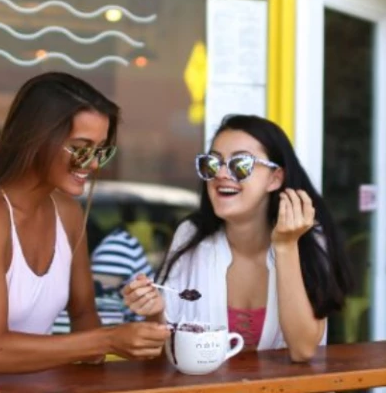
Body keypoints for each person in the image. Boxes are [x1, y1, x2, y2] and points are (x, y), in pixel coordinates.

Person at [0, 72, 170, 373]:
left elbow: (83, 315)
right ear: (37, 139)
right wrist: (108, 340)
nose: (92, 163)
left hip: (44, 379)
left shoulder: (68, 212)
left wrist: (145, 324)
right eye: (81, 148)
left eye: (100, 151)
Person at [122, 115, 352, 361]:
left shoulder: (308, 237)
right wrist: (154, 312)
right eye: (212, 163)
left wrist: (286, 246)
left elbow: (303, 350)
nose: (221, 173)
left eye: (240, 164)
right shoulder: (190, 235)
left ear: (275, 178)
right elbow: (164, 352)